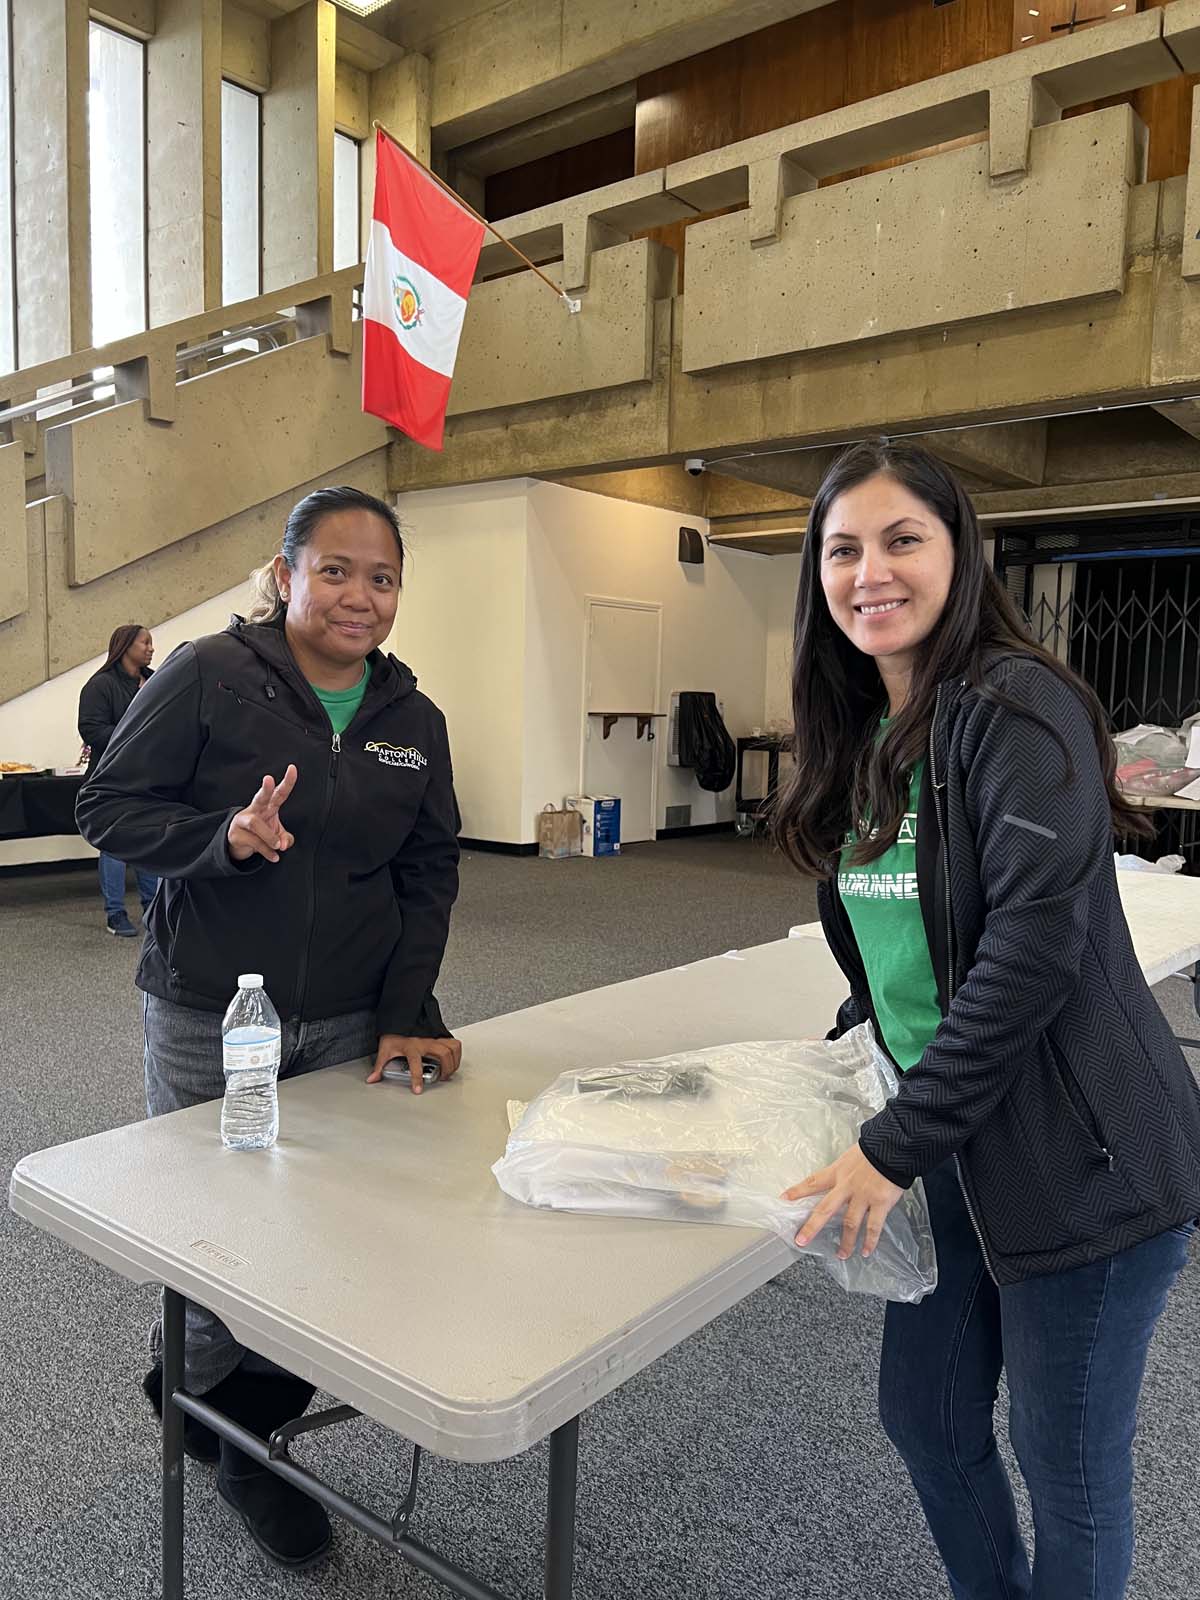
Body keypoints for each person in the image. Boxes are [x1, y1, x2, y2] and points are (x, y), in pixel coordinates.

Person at [772, 440, 1200, 1600]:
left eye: (903, 538)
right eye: (844, 547)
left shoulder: (1021, 704)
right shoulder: (868, 732)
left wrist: (889, 1144)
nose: (872, 570)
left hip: (1087, 1166)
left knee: (1068, 1472)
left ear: (961, 552)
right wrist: (847, 1060)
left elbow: (1029, 953)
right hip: (957, 1148)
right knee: (927, 1417)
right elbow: (904, 948)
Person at [76, 485, 461, 1572]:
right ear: (285, 574)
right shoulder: (208, 674)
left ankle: (242, 1435)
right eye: (334, 569)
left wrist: (407, 1008)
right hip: (212, 1008)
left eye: (380, 576)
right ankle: (198, 1387)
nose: (358, 594)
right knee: (213, 1225)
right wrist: (224, 839)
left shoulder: (411, 722)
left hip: (345, 1020)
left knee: (319, 1241)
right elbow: (107, 808)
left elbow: (429, 871)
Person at [77, 623, 159, 936]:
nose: (151, 648)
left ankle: (153, 908)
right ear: (125, 646)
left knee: (149, 840)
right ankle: (115, 913)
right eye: (145, 643)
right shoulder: (100, 685)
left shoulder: (155, 681)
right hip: (111, 777)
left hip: (150, 776)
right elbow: (91, 729)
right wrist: (135, 735)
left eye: (151, 643)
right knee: (114, 846)